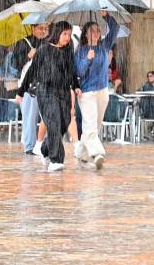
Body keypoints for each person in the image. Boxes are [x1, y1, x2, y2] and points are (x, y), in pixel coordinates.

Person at [16, 21, 82, 172]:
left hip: (63, 91)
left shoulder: (67, 51)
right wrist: (21, 91)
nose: (67, 37)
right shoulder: (44, 49)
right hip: (45, 91)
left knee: (63, 123)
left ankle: (46, 148)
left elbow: (71, 70)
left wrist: (76, 86)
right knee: (53, 121)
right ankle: (56, 160)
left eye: (69, 34)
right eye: (65, 34)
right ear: (57, 33)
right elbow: (32, 71)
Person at [74, 11, 119, 170]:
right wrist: (87, 59)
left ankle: (81, 151)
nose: (96, 33)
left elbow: (115, 28)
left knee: (95, 125)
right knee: (90, 124)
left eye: (98, 30)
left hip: (103, 91)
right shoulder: (80, 51)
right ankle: (97, 153)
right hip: (87, 93)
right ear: (85, 34)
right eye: (92, 30)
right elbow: (78, 72)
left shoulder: (104, 46)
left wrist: (106, 16)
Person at [13, 23, 49, 155]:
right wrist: (28, 56)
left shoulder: (47, 43)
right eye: (40, 28)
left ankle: (44, 145)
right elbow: (15, 64)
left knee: (46, 116)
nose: (43, 31)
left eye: (45, 28)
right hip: (27, 85)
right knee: (30, 116)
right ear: (32, 28)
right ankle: (29, 146)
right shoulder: (23, 42)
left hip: (44, 83)